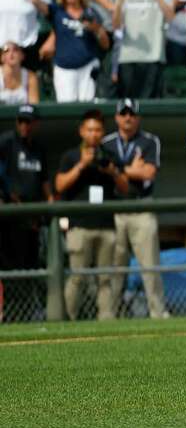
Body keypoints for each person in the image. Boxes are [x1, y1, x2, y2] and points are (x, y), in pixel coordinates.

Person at [57, 108, 129, 321]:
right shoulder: (71, 155)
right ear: (81, 131)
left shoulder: (110, 156)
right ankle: (67, 320)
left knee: (106, 279)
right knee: (77, 277)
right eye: (89, 130)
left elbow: (125, 189)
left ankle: (106, 320)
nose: (93, 134)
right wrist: (81, 165)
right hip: (79, 226)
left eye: (98, 130)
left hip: (106, 225)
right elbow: (59, 185)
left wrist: (113, 172)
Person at [102, 98, 169, 319]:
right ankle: (110, 315)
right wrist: (131, 169)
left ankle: (157, 312)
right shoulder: (106, 142)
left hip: (142, 207)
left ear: (138, 117)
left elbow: (148, 173)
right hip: (115, 209)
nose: (128, 117)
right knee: (115, 267)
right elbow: (102, 171)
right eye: (123, 113)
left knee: (150, 265)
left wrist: (117, 169)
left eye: (132, 114)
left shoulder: (150, 141)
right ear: (116, 117)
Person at [0, 104, 50, 321]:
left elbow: (44, 181)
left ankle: (27, 313)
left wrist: (49, 205)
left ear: (35, 124)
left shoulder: (38, 149)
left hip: (33, 220)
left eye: (28, 121)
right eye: (21, 121)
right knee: (11, 268)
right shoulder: (6, 143)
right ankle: (10, 313)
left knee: (31, 267)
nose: (24, 126)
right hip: (10, 220)